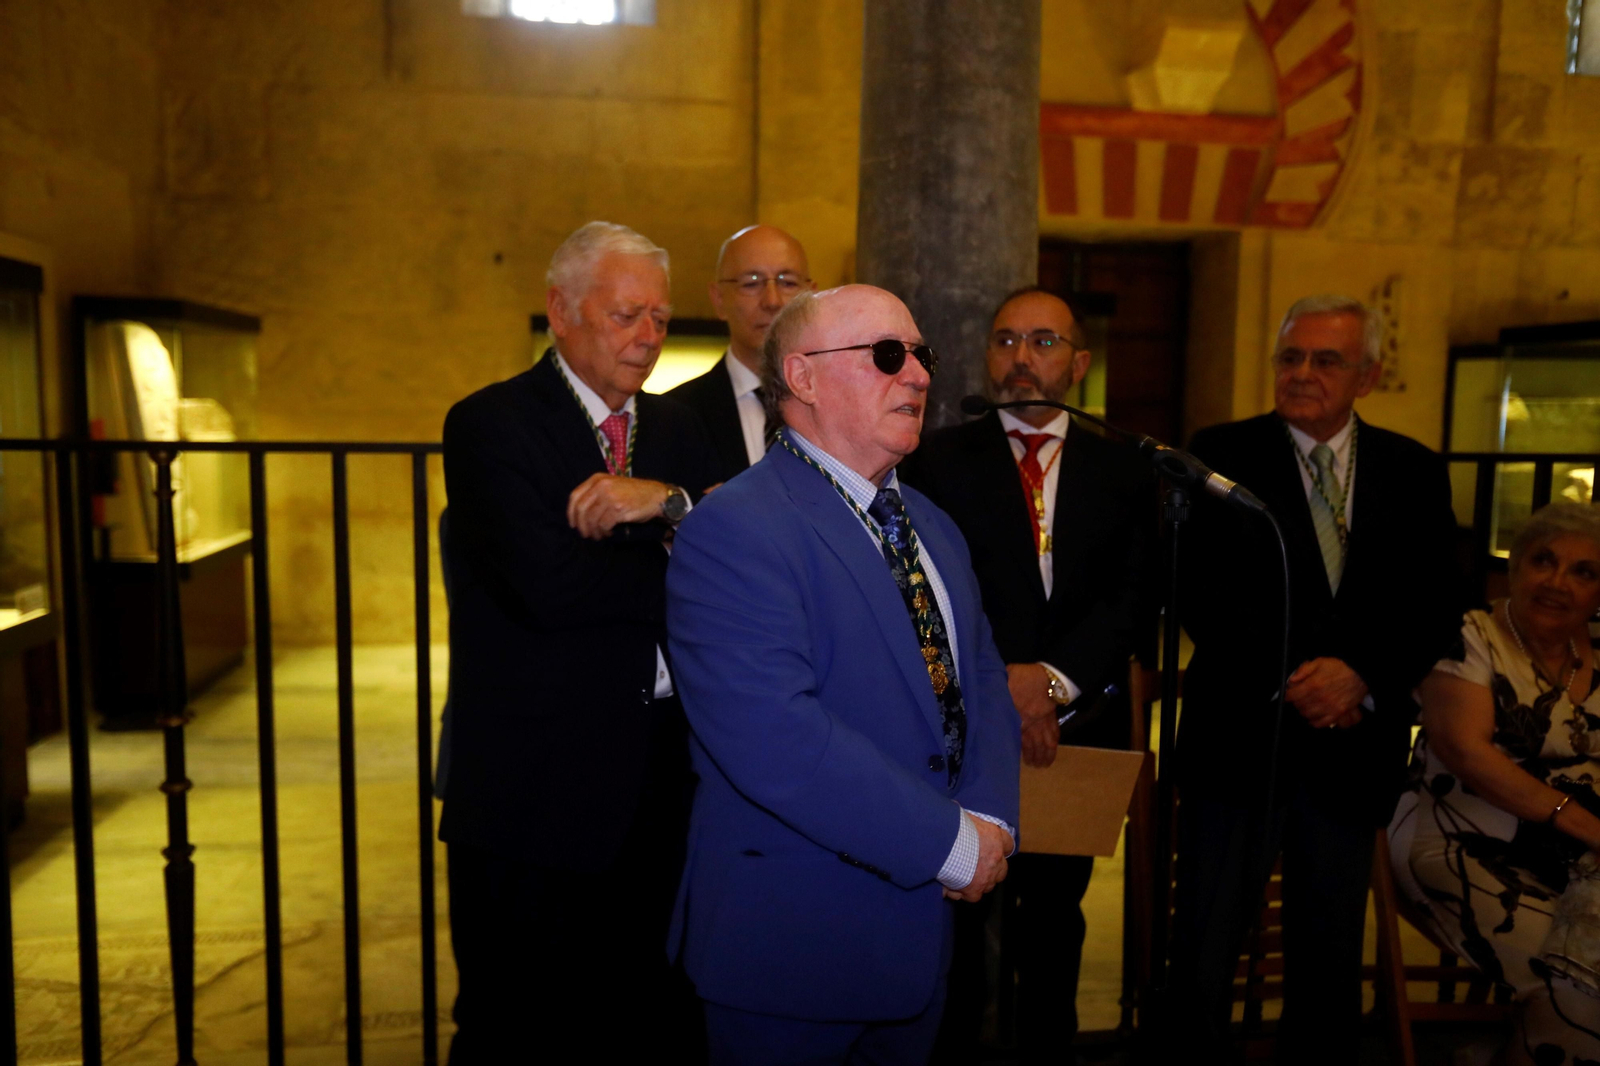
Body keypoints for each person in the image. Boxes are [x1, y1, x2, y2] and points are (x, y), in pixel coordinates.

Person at [665, 285, 1022, 1065]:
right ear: (804, 377)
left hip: (922, 940)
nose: (920, 376)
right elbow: (773, 737)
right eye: (888, 356)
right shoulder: (735, 528)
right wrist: (950, 842)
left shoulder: (931, 522)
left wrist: (992, 816)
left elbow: (982, 677)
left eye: (921, 355)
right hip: (793, 949)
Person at [439, 221, 719, 1063]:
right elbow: (551, 588)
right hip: (536, 791)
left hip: (662, 780)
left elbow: (745, 577)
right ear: (560, 310)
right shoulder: (491, 425)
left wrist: (668, 504)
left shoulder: (682, 436)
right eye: (627, 315)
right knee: (520, 1025)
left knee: (648, 1017)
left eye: (661, 320)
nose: (648, 338)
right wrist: (679, 563)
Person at [1168, 294, 1462, 1063]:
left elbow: (1437, 604)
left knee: (1327, 966)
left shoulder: (1413, 470)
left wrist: (1360, 674)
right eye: (1290, 357)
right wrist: (1302, 677)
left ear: (1366, 375)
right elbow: (1198, 591)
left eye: (1325, 360)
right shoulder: (1218, 454)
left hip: (1352, 749)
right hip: (1239, 745)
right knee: (1202, 961)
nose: (1302, 374)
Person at [900, 287, 1152, 1061]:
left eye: (1042, 342)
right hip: (967, 725)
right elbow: (928, 585)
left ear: (1078, 362)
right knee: (959, 921)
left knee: (1053, 924)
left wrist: (1053, 681)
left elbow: (1134, 593)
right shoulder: (935, 458)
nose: (1020, 358)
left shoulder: (1128, 466)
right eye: (1006, 341)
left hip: (1075, 728)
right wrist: (1004, 680)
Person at [1390, 501, 1600, 1065]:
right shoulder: (1470, 634)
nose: (1558, 582)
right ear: (1514, 565)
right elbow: (1465, 752)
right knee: (1572, 988)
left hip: (1580, 861)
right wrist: (1585, 824)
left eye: (1583, 572)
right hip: (1462, 840)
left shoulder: (1597, 651)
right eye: (1544, 561)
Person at [667, 224, 813, 481]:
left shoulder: (844, 403)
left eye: (787, 282)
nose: (772, 301)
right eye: (751, 284)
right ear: (719, 299)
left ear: (810, 296)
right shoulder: (675, 416)